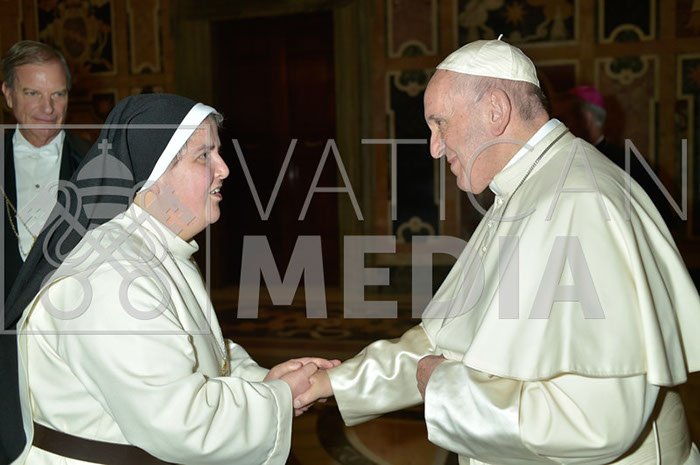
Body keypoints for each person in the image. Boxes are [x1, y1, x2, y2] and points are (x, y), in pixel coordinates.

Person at [297, 39, 700, 464]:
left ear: (495, 109)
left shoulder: (579, 201)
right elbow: (445, 340)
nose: (435, 147)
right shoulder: (528, 187)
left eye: (440, 123)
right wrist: (332, 383)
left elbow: (597, 423)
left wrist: (445, 389)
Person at [2, 94, 336, 464]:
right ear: (153, 175)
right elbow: (182, 424)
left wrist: (265, 381)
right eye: (204, 156)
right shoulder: (109, 278)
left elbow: (195, 351)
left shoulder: (153, 245)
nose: (224, 169)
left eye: (218, 152)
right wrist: (278, 397)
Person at [2, 40, 91, 300]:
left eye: (58, 94)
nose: (48, 108)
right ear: (8, 94)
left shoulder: (96, 164)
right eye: (33, 93)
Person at [558, 85, 673, 223]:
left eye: (563, 120)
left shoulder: (630, 165)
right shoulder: (569, 160)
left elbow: (662, 218)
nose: (559, 129)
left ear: (586, 120)